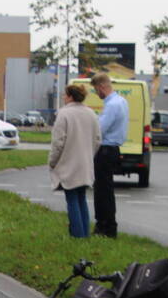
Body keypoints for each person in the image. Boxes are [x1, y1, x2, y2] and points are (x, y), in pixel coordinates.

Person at [49, 83, 101, 238]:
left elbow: (58, 142)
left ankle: (77, 235)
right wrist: (89, 154)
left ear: (70, 96)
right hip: (85, 163)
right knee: (81, 199)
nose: (64, 98)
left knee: (71, 199)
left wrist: (52, 161)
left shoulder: (64, 114)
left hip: (68, 163)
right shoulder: (91, 114)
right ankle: (85, 233)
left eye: (65, 95)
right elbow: (98, 139)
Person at [91, 72, 128, 238]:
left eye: (96, 90)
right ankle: (108, 226)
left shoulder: (112, 105)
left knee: (102, 191)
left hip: (105, 149)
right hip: (113, 149)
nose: (96, 93)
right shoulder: (121, 101)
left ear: (101, 87)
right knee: (106, 189)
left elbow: (100, 129)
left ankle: (105, 227)